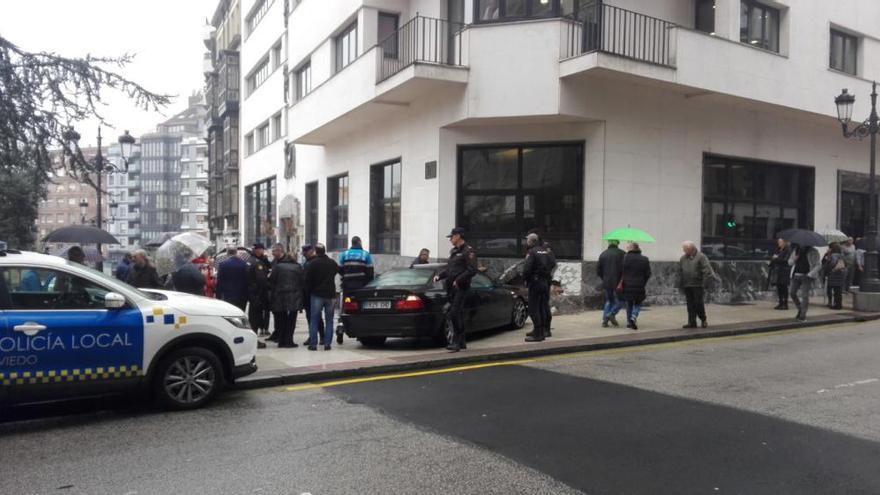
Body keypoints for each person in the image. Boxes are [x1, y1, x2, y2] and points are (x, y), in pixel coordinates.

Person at [434, 227, 477, 352]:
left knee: (454, 312)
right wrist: (439, 276)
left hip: (462, 287)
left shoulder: (468, 251)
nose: (450, 240)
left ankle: (456, 341)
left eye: (451, 237)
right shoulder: (454, 251)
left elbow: (472, 270)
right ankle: (462, 341)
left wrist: (458, 280)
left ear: (458, 236)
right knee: (457, 313)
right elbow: (450, 269)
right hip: (451, 288)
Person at [337, 236, 374, 344]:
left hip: (347, 286)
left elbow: (339, 269)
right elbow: (370, 272)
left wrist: (346, 276)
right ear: (359, 242)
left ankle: (340, 327)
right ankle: (360, 332)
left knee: (345, 308)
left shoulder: (344, 254)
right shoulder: (365, 255)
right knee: (360, 309)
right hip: (361, 287)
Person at [268, 244, 305, 348]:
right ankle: (289, 341)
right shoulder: (298, 267)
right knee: (292, 320)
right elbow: (303, 281)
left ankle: (281, 341)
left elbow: (271, 280)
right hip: (295, 297)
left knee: (281, 320)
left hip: (280, 297)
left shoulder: (278, 267)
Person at [304, 243, 339, 351]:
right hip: (330, 295)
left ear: (316, 251)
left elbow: (307, 280)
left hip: (317, 295)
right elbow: (338, 271)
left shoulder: (312, 264)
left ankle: (313, 344)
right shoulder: (332, 262)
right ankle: (327, 344)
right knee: (329, 320)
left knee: (314, 320)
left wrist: (307, 293)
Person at [523, 233, 556, 342]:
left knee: (533, 308)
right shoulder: (545, 250)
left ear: (531, 241)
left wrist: (526, 280)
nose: (526, 241)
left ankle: (539, 333)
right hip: (545, 281)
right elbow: (552, 263)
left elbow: (527, 269)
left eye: (527, 239)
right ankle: (541, 330)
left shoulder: (532, 252)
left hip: (536, 282)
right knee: (543, 306)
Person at [678, 241, 715, 329]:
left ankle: (703, 320)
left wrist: (704, 283)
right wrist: (680, 283)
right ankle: (692, 322)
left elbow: (707, 270)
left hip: (697, 284)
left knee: (698, 304)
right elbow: (680, 271)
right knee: (690, 305)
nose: (684, 251)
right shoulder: (683, 258)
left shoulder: (701, 257)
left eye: (685, 250)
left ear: (690, 249)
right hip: (687, 284)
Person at [620, 242, 651, 330]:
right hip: (640, 284)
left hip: (627, 285)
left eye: (628, 247)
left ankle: (629, 322)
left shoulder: (625, 258)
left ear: (631, 248)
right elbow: (648, 273)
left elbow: (621, 271)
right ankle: (634, 316)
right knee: (638, 302)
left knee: (629, 303)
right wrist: (643, 281)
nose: (627, 248)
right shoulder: (644, 259)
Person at [300, 245, 325, 347]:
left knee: (316, 316)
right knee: (310, 317)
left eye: (305, 252)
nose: (304, 254)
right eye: (303, 252)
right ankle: (313, 336)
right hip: (308, 293)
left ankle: (321, 336)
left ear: (311, 251)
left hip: (314, 293)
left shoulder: (314, 262)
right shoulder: (306, 262)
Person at [789, 243, 821, 322]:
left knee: (804, 296)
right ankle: (800, 309)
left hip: (806, 276)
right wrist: (794, 259)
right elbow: (789, 262)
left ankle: (803, 315)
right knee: (792, 293)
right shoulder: (796, 250)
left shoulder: (814, 251)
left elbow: (818, 265)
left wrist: (810, 274)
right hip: (795, 275)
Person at [597, 239, 625, 327]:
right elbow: (626, 268)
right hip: (619, 282)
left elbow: (598, 270)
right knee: (621, 300)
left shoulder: (603, 254)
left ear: (609, 243)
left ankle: (605, 320)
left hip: (607, 282)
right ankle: (611, 314)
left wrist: (604, 278)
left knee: (609, 300)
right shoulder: (623, 254)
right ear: (618, 243)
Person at [247, 243, 272, 337]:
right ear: (258, 250)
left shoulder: (250, 260)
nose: (263, 251)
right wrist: (268, 285)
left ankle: (259, 330)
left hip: (252, 291)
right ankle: (255, 335)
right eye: (262, 249)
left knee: (254, 314)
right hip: (258, 292)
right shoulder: (257, 262)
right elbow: (261, 279)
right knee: (256, 314)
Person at [769, 238, 792, 310]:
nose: (779, 243)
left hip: (784, 271)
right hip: (778, 271)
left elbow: (786, 260)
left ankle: (785, 303)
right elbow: (774, 258)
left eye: (780, 242)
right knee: (779, 287)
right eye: (778, 242)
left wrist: (776, 258)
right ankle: (780, 302)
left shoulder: (788, 250)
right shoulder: (778, 249)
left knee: (784, 287)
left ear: (784, 242)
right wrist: (773, 259)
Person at [822, 242, 846, 310]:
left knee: (833, 290)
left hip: (833, 275)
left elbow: (831, 264)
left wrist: (827, 265)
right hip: (840, 274)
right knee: (838, 291)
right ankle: (839, 304)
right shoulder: (842, 255)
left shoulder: (833, 256)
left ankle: (835, 304)